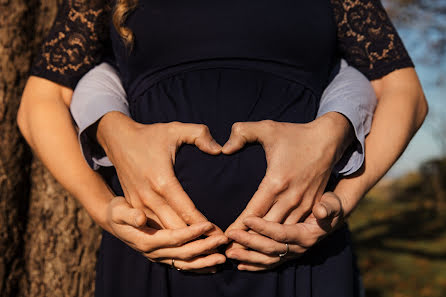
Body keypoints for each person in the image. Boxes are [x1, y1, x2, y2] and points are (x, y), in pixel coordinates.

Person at [16, 0, 428, 296]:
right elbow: (41, 101)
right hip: (156, 256)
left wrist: (342, 199)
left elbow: (403, 91)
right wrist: (102, 207)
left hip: (303, 254)